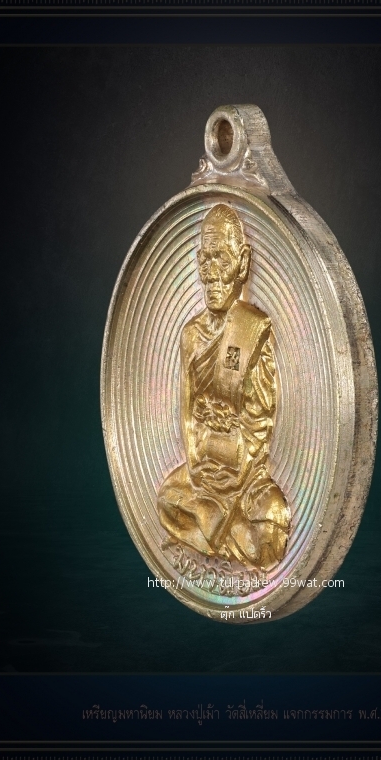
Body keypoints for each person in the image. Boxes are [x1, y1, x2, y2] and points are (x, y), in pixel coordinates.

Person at [157, 203, 290, 571]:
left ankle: (210, 528)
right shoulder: (190, 335)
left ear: (243, 263)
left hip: (244, 475)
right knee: (167, 497)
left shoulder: (251, 329)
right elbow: (188, 416)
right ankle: (214, 523)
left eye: (223, 259)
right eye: (206, 260)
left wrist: (233, 469)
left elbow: (260, 424)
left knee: (272, 524)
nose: (212, 273)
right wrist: (200, 468)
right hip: (203, 472)